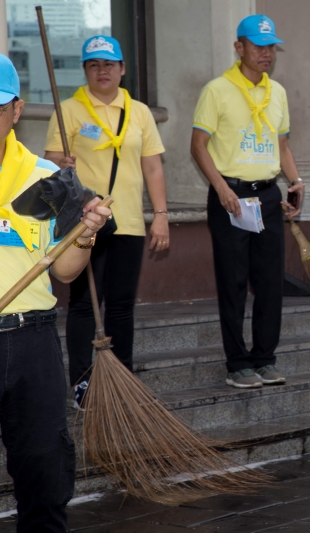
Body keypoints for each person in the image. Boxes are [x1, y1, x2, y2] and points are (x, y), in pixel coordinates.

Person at [0, 54, 110, 532]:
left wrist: (84, 235)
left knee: (43, 476)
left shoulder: (47, 178)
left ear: (16, 111)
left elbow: (66, 272)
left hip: (31, 340)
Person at [44, 35, 169, 408]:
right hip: (86, 223)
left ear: (122, 69)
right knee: (83, 305)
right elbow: (49, 165)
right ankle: (82, 383)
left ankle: (121, 377)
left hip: (128, 219)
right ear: (85, 70)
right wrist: (59, 164)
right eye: (94, 65)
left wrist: (160, 216)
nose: (103, 72)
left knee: (120, 305)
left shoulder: (140, 112)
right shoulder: (68, 110)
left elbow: (152, 166)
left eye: (109, 65)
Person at [191, 14, 304, 388]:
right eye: (258, 46)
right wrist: (222, 189)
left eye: (270, 46)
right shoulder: (217, 89)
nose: (266, 53)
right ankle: (237, 363)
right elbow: (198, 146)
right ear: (239, 48)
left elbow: (282, 144)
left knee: (270, 282)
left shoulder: (279, 92)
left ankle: (265, 359)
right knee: (234, 281)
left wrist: (295, 180)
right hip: (231, 198)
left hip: (266, 196)